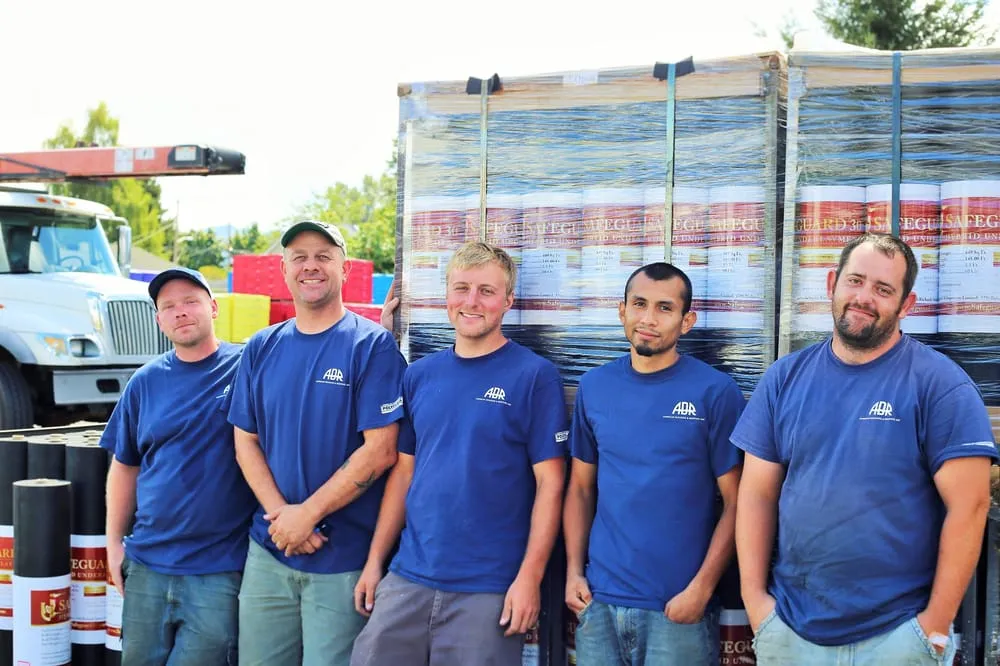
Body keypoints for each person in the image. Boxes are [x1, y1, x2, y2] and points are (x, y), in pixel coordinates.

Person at [733, 232, 999, 665]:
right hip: (792, 632)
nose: (864, 298)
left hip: (897, 636)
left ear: (906, 305)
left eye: (883, 289)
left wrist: (934, 627)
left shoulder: (940, 385)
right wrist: (755, 603)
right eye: (855, 281)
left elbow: (970, 506)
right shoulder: (784, 379)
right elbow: (757, 493)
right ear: (831, 283)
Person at [350, 241, 568, 666]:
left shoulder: (534, 376)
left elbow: (551, 484)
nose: (472, 302)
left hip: (488, 587)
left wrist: (530, 578)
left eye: (487, 291)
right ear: (446, 294)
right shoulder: (419, 375)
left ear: (508, 301)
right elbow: (404, 474)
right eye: (462, 288)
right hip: (408, 575)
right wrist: (376, 562)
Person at [226, 220, 407, 666]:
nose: (311, 266)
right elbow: (245, 441)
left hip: (341, 559)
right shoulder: (261, 347)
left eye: (324, 257)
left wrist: (307, 516)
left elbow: (381, 450)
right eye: (300, 258)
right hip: (270, 551)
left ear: (345, 269)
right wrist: (283, 519)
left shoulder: (372, 346)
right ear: (284, 269)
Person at [563, 262, 745, 666]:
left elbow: (739, 503)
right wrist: (574, 572)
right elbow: (580, 488)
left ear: (686, 321)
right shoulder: (595, 386)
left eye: (665, 308)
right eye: (639, 304)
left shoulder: (715, 392)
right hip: (599, 602)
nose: (648, 319)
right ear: (622, 310)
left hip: (676, 608)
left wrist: (701, 589)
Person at [100, 267, 256, 666]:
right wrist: (113, 543)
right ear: (159, 320)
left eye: (190, 301)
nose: (180, 312)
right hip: (147, 564)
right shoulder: (144, 382)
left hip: (217, 569)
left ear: (213, 308)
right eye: (168, 306)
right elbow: (125, 466)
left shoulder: (248, 367)